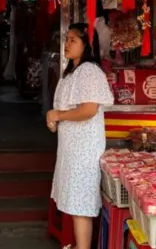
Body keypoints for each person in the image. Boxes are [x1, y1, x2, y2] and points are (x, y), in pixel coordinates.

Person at [47, 23, 114, 249]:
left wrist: (59, 115)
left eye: (73, 40)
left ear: (87, 45)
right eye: (67, 39)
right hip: (71, 148)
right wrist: (55, 118)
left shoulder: (91, 71)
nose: (67, 44)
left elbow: (89, 110)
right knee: (74, 201)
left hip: (84, 149)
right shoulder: (71, 72)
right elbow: (64, 108)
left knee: (80, 204)